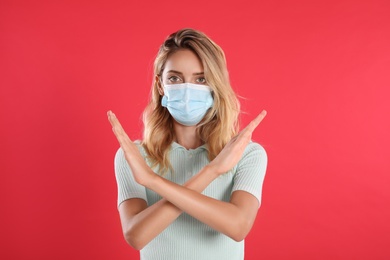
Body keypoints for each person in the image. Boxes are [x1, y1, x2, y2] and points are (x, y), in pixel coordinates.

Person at [107, 28, 268, 260]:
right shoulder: (134, 156)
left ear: (215, 85)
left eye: (200, 79)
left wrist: (153, 181)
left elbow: (238, 226)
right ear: (161, 85)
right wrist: (212, 172)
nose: (187, 89)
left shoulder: (246, 154)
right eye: (175, 78)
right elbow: (136, 235)